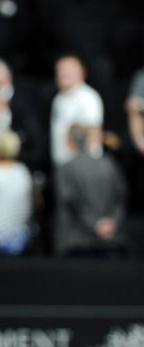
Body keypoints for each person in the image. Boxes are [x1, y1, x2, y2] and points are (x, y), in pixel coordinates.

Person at [54, 124, 127, 257]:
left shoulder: (65, 168)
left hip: (76, 242)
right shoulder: (109, 165)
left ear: (69, 141)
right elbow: (121, 197)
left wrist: (96, 224)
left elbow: (71, 202)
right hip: (108, 240)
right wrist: (111, 222)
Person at [50, 55, 103, 167]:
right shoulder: (59, 98)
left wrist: (88, 165)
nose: (63, 73)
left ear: (82, 73)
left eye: (69, 70)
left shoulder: (88, 97)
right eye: (60, 69)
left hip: (83, 167)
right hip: (62, 165)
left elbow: (93, 133)